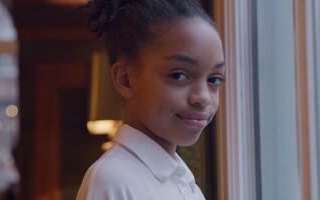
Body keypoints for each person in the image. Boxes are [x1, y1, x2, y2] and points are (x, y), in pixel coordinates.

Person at [76, 0, 225, 199]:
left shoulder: (185, 183)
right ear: (126, 80)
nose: (203, 97)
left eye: (214, 79)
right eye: (179, 75)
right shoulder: (112, 180)